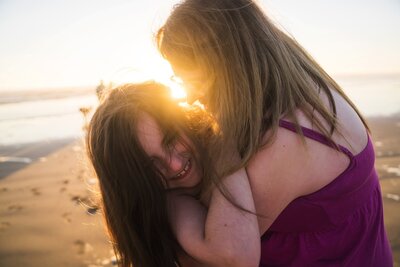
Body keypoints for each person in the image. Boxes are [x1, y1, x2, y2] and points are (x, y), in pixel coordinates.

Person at [156, 0, 393, 266]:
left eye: (191, 79)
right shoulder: (311, 89)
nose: (188, 97)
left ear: (223, 66)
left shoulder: (280, 143)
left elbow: (223, 254)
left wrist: (170, 202)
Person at [86, 81, 259, 267]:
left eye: (171, 139)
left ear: (186, 121)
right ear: (131, 181)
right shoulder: (170, 205)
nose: (175, 165)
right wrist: (223, 142)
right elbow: (236, 254)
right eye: (151, 165)